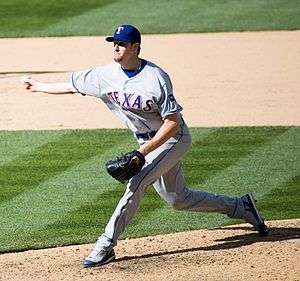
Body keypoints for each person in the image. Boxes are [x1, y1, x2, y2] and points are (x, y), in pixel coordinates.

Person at [22, 24, 268, 267]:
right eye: (114, 43)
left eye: (122, 44)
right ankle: (240, 206)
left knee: (137, 183)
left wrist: (142, 153)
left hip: (172, 139)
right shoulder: (105, 75)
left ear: (135, 47)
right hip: (147, 142)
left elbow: (173, 122)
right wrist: (38, 86)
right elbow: (70, 85)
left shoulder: (156, 78)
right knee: (178, 199)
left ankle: (105, 245)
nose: (116, 47)